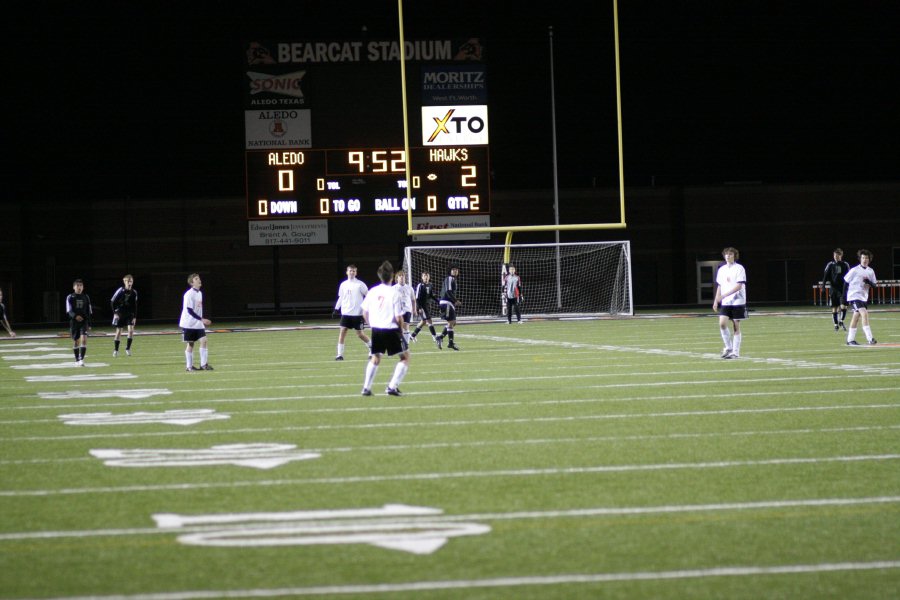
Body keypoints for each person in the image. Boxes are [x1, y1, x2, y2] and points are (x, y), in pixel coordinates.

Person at [360, 260, 410, 397]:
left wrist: (372, 324)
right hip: (391, 329)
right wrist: (400, 330)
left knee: (375, 358)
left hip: (377, 329)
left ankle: (366, 388)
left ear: (379, 275)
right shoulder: (394, 293)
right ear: (393, 276)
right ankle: (392, 387)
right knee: (405, 357)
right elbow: (399, 317)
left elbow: (364, 312)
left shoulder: (372, 291)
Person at [712, 247, 747, 359]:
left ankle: (735, 353)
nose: (728, 256)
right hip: (726, 301)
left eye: (730, 254)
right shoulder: (721, 269)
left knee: (736, 326)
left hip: (738, 300)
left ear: (734, 256)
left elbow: (739, 285)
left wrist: (724, 295)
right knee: (722, 324)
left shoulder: (739, 268)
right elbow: (720, 286)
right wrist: (716, 300)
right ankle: (728, 348)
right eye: (726, 254)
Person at [333, 264, 371, 361]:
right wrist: (336, 308)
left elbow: (369, 296)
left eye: (354, 271)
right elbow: (341, 297)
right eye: (350, 271)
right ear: (347, 272)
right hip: (346, 313)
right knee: (342, 332)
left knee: (360, 334)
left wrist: (366, 308)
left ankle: (373, 349)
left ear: (356, 272)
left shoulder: (360, 284)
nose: (352, 272)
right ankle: (339, 355)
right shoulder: (343, 285)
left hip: (357, 314)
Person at [179, 273, 213, 371]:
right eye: (196, 279)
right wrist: (202, 319)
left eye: (199, 278)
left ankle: (203, 365)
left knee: (204, 341)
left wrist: (200, 320)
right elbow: (189, 310)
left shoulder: (199, 293)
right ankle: (189, 367)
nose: (199, 280)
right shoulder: (189, 294)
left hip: (198, 323)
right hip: (189, 323)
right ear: (191, 282)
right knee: (191, 344)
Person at [844, 249, 878, 346]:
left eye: (866, 258)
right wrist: (843, 298)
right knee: (864, 313)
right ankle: (870, 338)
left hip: (863, 297)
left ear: (869, 259)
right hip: (854, 296)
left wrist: (869, 282)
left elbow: (874, 285)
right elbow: (846, 282)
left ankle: (850, 339)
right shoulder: (854, 270)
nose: (864, 260)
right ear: (860, 259)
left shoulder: (870, 271)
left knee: (856, 317)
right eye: (863, 258)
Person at [821, 248, 850, 331]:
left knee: (843, 306)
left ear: (841, 255)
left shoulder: (845, 264)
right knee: (834, 307)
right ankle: (836, 324)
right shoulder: (830, 264)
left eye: (837, 255)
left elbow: (849, 276)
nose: (835, 257)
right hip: (833, 289)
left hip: (843, 288)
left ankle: (841, 320)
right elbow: (826, 275)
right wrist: (823, 286)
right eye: (834, 255)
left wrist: (849, 286)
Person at [65, 279, 92, 366]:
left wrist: (89, 323)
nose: (79, 287)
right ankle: (76, 359)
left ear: (83, 287)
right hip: (74, 322)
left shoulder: (86, 297)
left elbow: (89, 310)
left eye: (81, 285)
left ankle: (81, 359)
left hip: (84, 322)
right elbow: (69, 310)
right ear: (74, 287)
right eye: (77, 285)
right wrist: (75, 316)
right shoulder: (70, 297)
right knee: (76, 341)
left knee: (84, 339)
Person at [110, 274, 138, 356]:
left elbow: (135, 305)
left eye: (131, 281)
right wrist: (115, 313)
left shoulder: (134, 292)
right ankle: (116, 350)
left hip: (129, 313)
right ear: (124, 281)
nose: (129, 283)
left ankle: (128, 349)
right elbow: (112, 301)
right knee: (119, 332)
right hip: (120, 313)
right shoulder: (120, 290)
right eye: (128, 281)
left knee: (131, 330)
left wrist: (135, 317)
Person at [435, 265, 461, 350]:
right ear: (450, 271)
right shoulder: (449, 278)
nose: (455, 271)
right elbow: (448, 291)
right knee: (451, 322)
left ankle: (442, 338)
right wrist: (455, 300)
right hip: (446, 302)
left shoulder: (453, 280)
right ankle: (450, 342)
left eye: (456, 270)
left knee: (453, 323)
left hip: (449, 303)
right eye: (453, 269)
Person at [410, 271, 439, 343]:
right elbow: (417, 298)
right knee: (429, 320)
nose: (426, 277)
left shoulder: (430, 285)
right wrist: (419, 308)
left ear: (429, 277)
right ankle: (434, 336)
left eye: (427, 276)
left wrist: (438, 301)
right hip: (421, 306)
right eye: (424, 276)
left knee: (423, 322)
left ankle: (412, 335)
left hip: (426, 305)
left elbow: (431, 295)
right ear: (422, 277)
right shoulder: (420, 285)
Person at [393, 269, 416, 344]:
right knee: (399, 327)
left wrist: (414, 309)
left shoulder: (409, 288)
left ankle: (406, 344)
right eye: (400, 276)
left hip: (407, 310)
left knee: (406, 326)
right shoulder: (394, 288)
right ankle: (402, 340)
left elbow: (413, 300)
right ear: (397, 278)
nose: (402, 277)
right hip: (397, 311)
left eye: (403, 276)